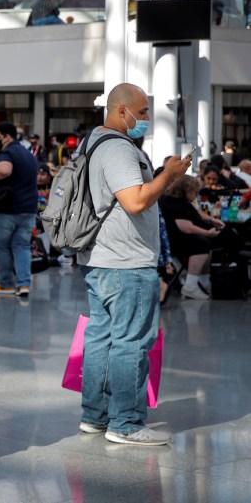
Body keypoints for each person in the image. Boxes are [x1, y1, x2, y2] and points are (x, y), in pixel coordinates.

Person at [78, 82, 191, 446]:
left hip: (101, 258)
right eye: (141, 112)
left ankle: (94, 416)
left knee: (100, 337)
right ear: (121, 110)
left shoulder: (91, 143)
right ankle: (125, 422)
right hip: (126, 262)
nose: (145, 119)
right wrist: (169, 176)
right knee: (131, 341)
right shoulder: (119, 150)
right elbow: (136, 201)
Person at [0, 122, 38, 296]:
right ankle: (24, 285)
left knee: (2, 247)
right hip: (29, 209)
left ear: (7, 137)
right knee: (22, 246)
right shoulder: (28, 155)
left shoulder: (7, 153)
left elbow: (5, 170)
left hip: (8, 210)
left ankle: (6, 284)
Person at [160, 175, 227, 300]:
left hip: (173, 239)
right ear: (186, 191)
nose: (196, 195)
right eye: (195, 192)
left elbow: (196, 213)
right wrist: (207, 233)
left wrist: (212, 220)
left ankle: (203, 281)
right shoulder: (176, 204)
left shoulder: (177, 200)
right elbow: (186, 227)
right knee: (202, 243)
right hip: (174, 242)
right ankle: (191, 286)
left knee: (205, 242)